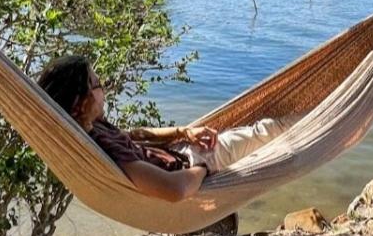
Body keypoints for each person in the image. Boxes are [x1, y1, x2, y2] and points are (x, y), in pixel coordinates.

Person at [37, 55, 298, 202]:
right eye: (96, 85)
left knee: (258, 127)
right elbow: (175, 190)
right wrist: (204, 166)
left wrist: (184, 132)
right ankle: (328, 115)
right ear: (78, 104)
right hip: (195, 163)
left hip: (182, 150)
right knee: (270, 130)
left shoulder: (93, 126)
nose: (103, 89)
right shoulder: (106, 147)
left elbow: (136, 135)